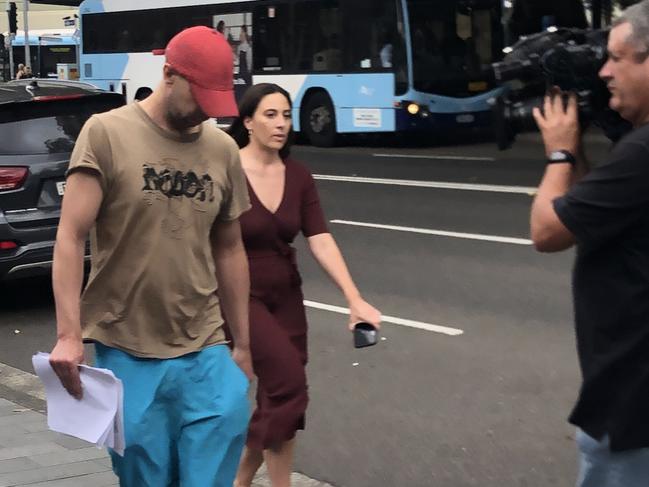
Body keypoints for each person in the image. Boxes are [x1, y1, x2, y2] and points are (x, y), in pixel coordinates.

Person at [48, 26, 253, 487]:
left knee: (217, 459)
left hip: (206, 345)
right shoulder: (106, 133)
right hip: (128, 350)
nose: (205, 110)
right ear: (168, 75)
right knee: (147, 477)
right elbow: (70, 236)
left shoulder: (222, 150)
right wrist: (69, 335)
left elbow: (230, 247)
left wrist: (242, 346)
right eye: (198, 95)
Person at [226, 83, 381, 487]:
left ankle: (239, 480)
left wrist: (354, 298)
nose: (281, 124)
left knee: (278, 399)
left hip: (287, 294)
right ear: (247, 122)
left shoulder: (297, 175)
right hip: (243, 295)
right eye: (270, 115)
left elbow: (320, 237)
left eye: (287, 115)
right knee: (289, 385)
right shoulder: (227, 170)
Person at [530, 2, 649, 485]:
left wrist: (558, 152)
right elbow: (592, 216)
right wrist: (578, 148)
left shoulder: (643, 152)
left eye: (618, 58)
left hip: (631, 404)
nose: (604, 71)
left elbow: (548, 231)